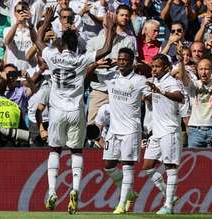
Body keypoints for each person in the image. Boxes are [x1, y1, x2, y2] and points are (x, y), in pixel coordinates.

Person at [30, 7, 116, 214]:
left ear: (61, 45)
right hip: (76, 111)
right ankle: (75, 189)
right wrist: (110, 29)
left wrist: (45, 22)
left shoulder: (52, 56)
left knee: (55, 150)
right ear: (76, 45)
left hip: (57, 111)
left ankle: (52, 191)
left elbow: (38, 42)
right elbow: (105, 50)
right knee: (76, 151)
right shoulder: (81, 59)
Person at [88, 48, 149, 214]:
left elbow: (152, 92)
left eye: (125, 60)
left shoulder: (139, 80)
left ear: (131, 62)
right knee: (108, 166)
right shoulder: (111, 76)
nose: (121, 62)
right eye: (119, 59)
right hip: (113, 130)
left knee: (127, 166)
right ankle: (129, 192)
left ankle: (121, 204)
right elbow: (88, 75)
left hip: (130, 130)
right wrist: (95, 64)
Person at [143, 53, 184, 214]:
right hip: (156, 131)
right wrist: (146, 96)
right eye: (152, 66)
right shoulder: (153, 82)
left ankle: (168, 205)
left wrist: (160, 91)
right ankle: (169, 195)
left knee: (170, 167)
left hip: (170, 130)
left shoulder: (172, 82)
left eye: (157, 66)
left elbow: (179, 97)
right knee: (147, 167)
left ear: (166, 67)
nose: (154, 69)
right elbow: (147, 98)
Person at [179, 43, 212, 148]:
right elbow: (182, 77)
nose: (204, 72)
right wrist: (180, 61)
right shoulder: (194, 85)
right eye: (201, 69)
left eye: (206, 69)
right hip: (195, 131)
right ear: (197, 71)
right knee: (193, 163)